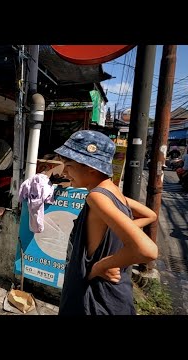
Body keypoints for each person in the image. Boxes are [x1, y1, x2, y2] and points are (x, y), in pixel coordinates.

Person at [54, 130, 158, 315]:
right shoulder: (116, 194)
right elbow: (150, 215)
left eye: (68, 165)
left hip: (94, 300)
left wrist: (101, 266)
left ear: (90, 167)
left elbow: (148, 250)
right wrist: (116, 241)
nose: (64, 172)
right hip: (114, 297)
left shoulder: (96, 197)